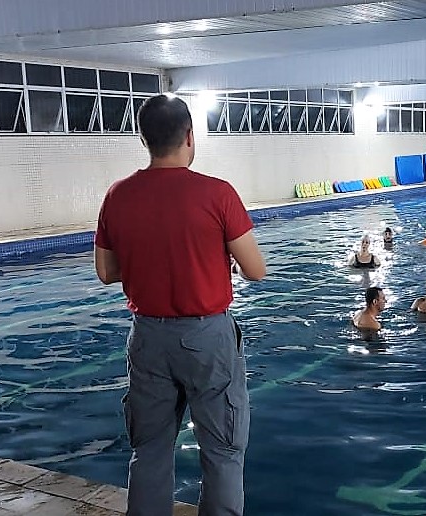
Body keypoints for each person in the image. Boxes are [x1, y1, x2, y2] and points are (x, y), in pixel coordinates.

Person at [94, 94, 265, 516]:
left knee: (149, 449)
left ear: (143, 138)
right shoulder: (218, 194)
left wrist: (147, 262)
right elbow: (256, 270)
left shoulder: (118, 195)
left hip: (148, 337)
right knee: (222, 450)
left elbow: (106, 271)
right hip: (207, 338)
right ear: (190, 136)